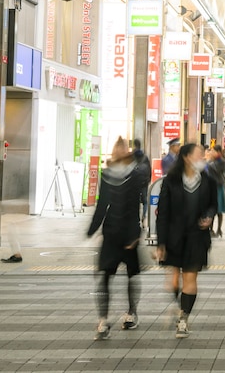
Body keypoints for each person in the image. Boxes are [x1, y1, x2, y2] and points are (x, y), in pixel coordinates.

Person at [155, 143, 219, 338]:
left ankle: (183, 318)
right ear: (187, 157)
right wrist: (161, 243)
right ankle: (180, 306)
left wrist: (209, 216)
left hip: (197, 238)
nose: (203, 157)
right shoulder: (171, 181)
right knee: (174, 281)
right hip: (174, 238)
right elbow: (162, 213)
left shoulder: (208, 180)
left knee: (190, 278)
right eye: (199, 154)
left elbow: (213, 205)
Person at [87, 138, 148, 340]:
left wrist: (136, 233)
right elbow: (102, 205)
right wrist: (92, 229)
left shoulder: (136, 174)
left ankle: (131, 313)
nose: (118, 153)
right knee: (105, 276)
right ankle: (104, 320)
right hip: (112, 232)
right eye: (117, 150)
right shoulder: (107, 175)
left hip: (127, 232)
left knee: (130, 275)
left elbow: (135, 205)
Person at [208, 145, 225, 238]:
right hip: (212, 187)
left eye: (213, 151)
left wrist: (209, 161)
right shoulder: (213, 161)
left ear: (219, 152)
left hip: (218, 187)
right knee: (212, 209)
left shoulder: (221, 161)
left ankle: (219, 229)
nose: (211, 153)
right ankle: (211, 229)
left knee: (218, 209)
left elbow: (215, 169)